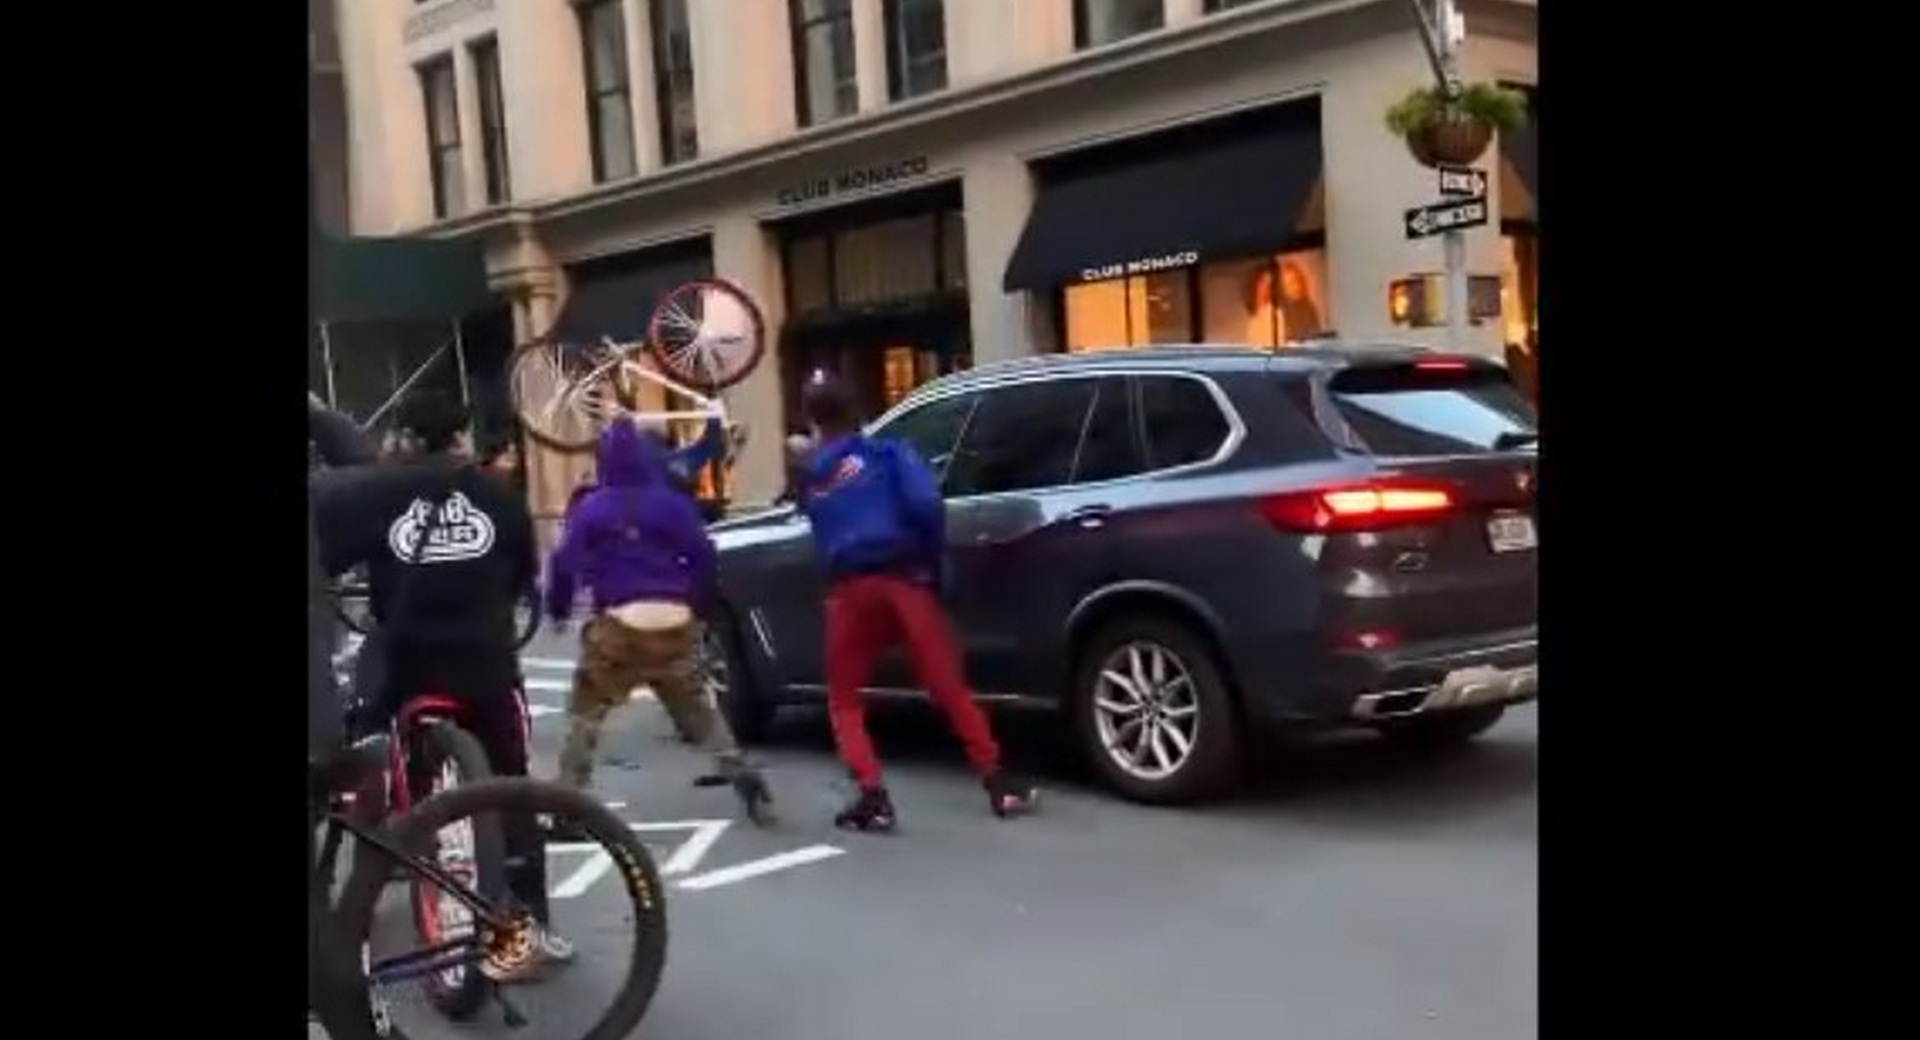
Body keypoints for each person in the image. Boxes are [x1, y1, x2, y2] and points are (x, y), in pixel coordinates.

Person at [313, 390, 573, 978]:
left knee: (374, 757)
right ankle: (530, 923)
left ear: (404, 440)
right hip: (483, 660)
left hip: (409, 658)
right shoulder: (499, 496)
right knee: (511, 788)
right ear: (462, 439)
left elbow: (331, 564)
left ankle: (359, 892)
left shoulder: (375, 496)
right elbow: (522, 574)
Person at [790, 375, 1038, 832]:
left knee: (844, 699)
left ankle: (872, 795)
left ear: (812, 421)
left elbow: (813, 516)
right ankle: (997, 781)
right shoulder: (889, 454)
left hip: (849, 591)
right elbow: (927, 505)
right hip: (905, 581)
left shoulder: (814, 477)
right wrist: (928, 560)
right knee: (947, 686)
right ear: (860, 413)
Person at [543, 419, 774, 826]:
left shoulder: (594, 507)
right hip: (674, 620)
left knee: (587, 712)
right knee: (695, 708)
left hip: (620, 623)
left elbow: (566, 565)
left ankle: (569, 804)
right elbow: (703, 556)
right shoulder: (672, 506)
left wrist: (559, 608)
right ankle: (739, 769)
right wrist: (699, 609)